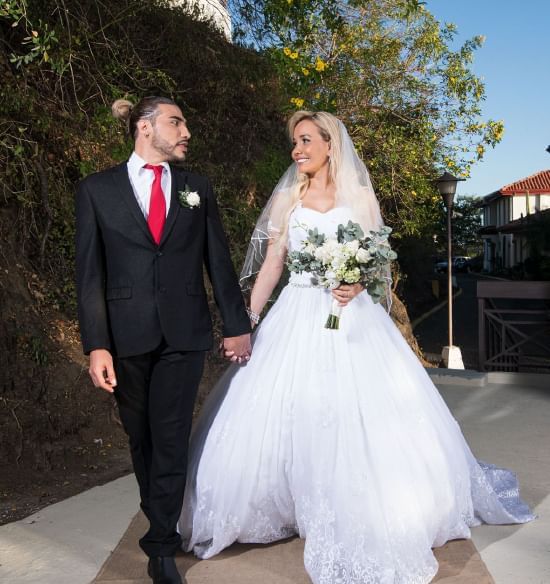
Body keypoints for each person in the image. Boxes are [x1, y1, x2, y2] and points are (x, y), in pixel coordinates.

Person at [178, 111, 534, 584]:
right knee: (280, 410)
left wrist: (358, 283)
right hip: (297, 312)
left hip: (352, 320)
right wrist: (248, 320)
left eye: (305, 140)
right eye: (294, 142)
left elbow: (377, 261)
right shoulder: (289, 198)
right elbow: (272, 266)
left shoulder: (360, 195)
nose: (297, 150)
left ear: (330, 143)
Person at [75, 96, 252, 584]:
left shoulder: (197, 188)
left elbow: (218, 258)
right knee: (142, 439)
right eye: (177, 122)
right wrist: (97, 344)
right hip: (125, 335)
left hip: (184, 333)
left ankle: (160, 546)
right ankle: (159, 521)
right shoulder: (96, 190)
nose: (186, 131)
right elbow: (89, 275)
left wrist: (236, 324)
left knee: (171, 438)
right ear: (145, 128)